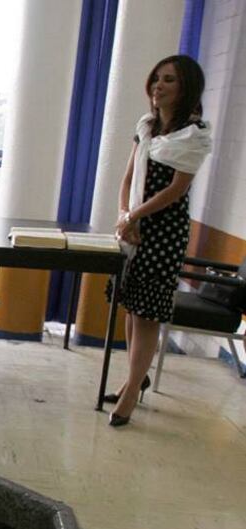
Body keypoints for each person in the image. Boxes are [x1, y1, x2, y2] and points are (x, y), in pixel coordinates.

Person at [106, 55, 212, 427]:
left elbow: (175, 190)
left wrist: (134, 217)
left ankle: (132, 390)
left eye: (168, 80)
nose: (158, 86)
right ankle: (134, 378)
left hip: (163, 232)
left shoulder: (193, 135)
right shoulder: (147, 127)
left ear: (185, 89)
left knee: (147, 312)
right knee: (131, 305)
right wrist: (123, 217)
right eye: (156, 78)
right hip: (132, 226)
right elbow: (127, 178)